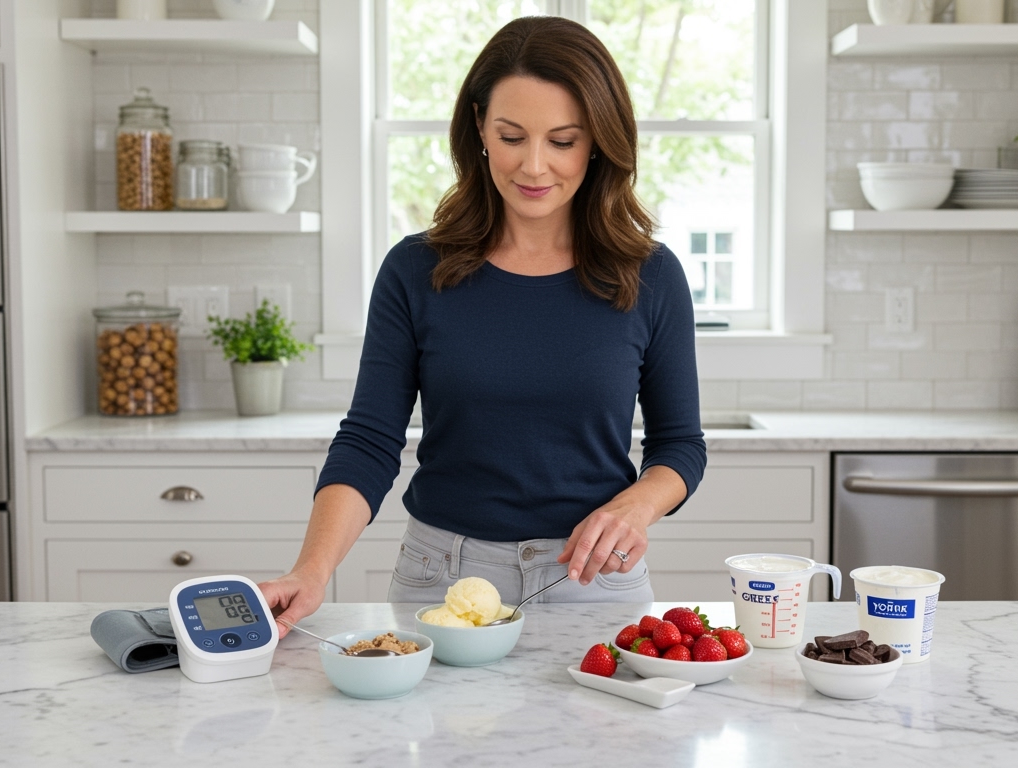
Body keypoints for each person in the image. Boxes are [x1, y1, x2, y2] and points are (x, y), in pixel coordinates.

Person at [259, 15, 706, 637]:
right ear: (479, 129)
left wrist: (637, 505)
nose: (534, 164)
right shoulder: (416, 269)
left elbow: (680, 446)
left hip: (592, 581)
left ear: (598, 140)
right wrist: (311, 571)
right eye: (512, 135)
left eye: (563, 140)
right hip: (440, 577)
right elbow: (368, 440)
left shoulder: (650, 276)